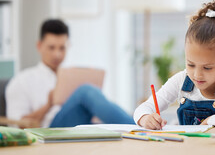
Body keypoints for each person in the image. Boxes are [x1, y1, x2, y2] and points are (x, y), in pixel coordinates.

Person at [134, 0, 215, 129]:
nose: (197, 75)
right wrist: (144, 118)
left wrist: (211, 120)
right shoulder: (181, 81)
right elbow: (143, 108)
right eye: (191, 65)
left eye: (207, 67)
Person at [6, 19, 135, 128]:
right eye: (51, 48)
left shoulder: (70, 76)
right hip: (50, 130)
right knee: (85, 90)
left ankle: (136, 128)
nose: (57, 54)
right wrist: (48, 104)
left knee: (106, 128)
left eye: (62, 48)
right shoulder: (21, 81)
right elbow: (18, 126)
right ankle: (137, 127)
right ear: (39, 46)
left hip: (78, 125)